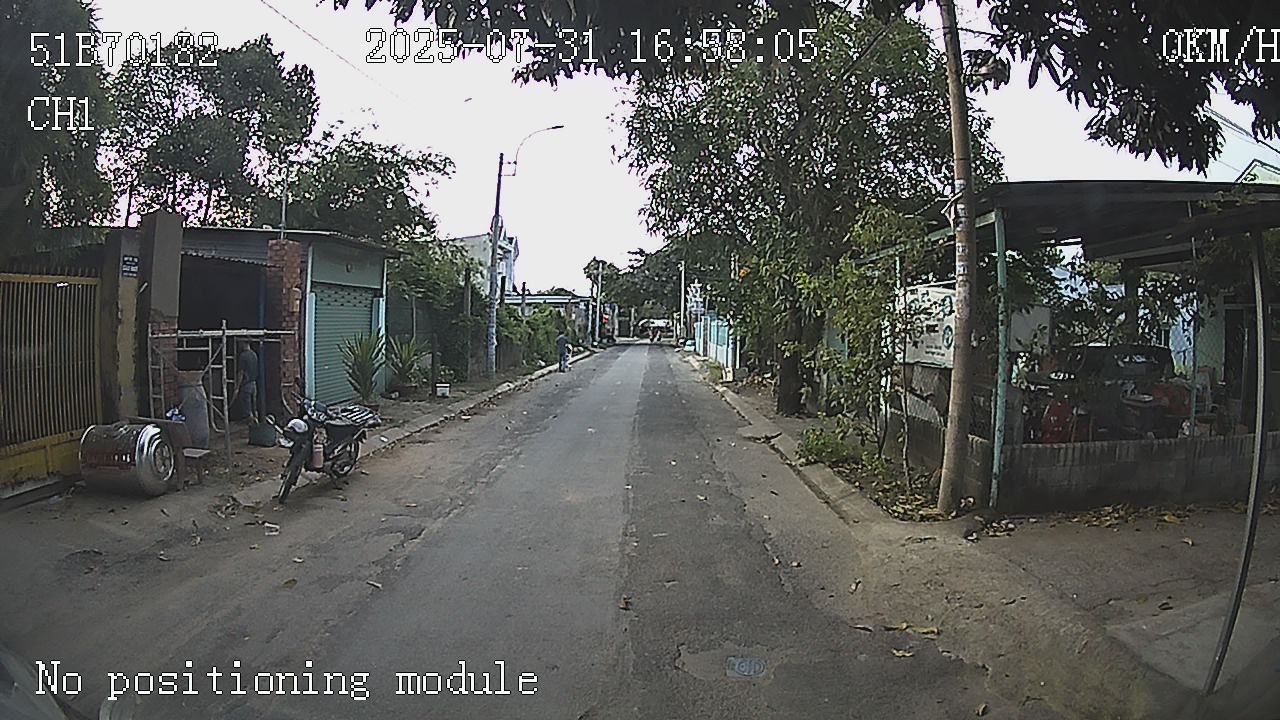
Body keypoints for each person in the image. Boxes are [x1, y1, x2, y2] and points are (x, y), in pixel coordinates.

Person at [236, 340, 260, 421]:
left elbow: (241, 372)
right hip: (254, 383)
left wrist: (237, 387)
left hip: (246, 384)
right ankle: (256, 419)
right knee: (254, 405)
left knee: (247, 407)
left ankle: (251, 423)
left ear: (244, 343)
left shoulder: (243, 356)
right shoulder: (254, 354)